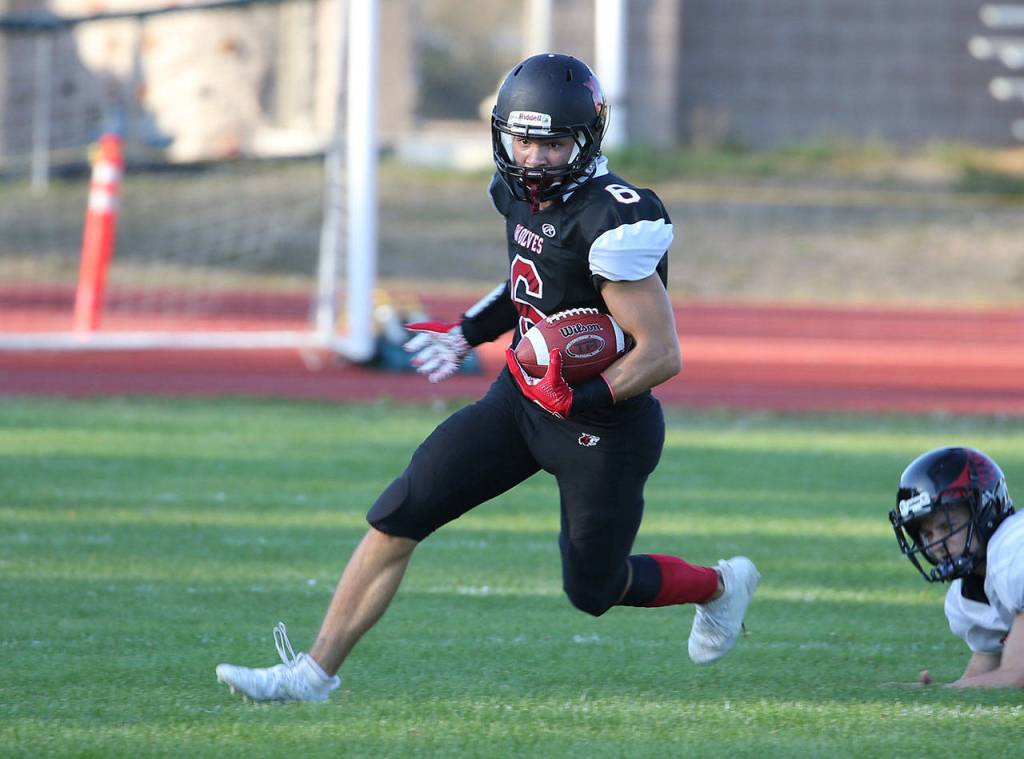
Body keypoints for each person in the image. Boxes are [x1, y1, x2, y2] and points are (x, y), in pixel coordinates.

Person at [215, 53, 760, 703]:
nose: (532, 158)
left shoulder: (612, 218)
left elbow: (661, 352)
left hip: (604, 426)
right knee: (400, 511)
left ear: (586, 141)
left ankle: (719, 585)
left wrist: (579, 395)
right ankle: (312, 673)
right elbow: (531, 280)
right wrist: (465, 332)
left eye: (552, 143)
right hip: (522, 400)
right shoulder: (515, 193)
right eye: (523, 139)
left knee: (593, 589)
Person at [889, 446, 1024, 688]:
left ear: (985, 511)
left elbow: (1016, 676)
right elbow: (978, 682)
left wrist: (950, 691)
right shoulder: (967, 595)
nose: (936, 544)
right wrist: (935, 693)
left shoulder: (1012, 552)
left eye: (947, 526)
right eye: (927, 534)